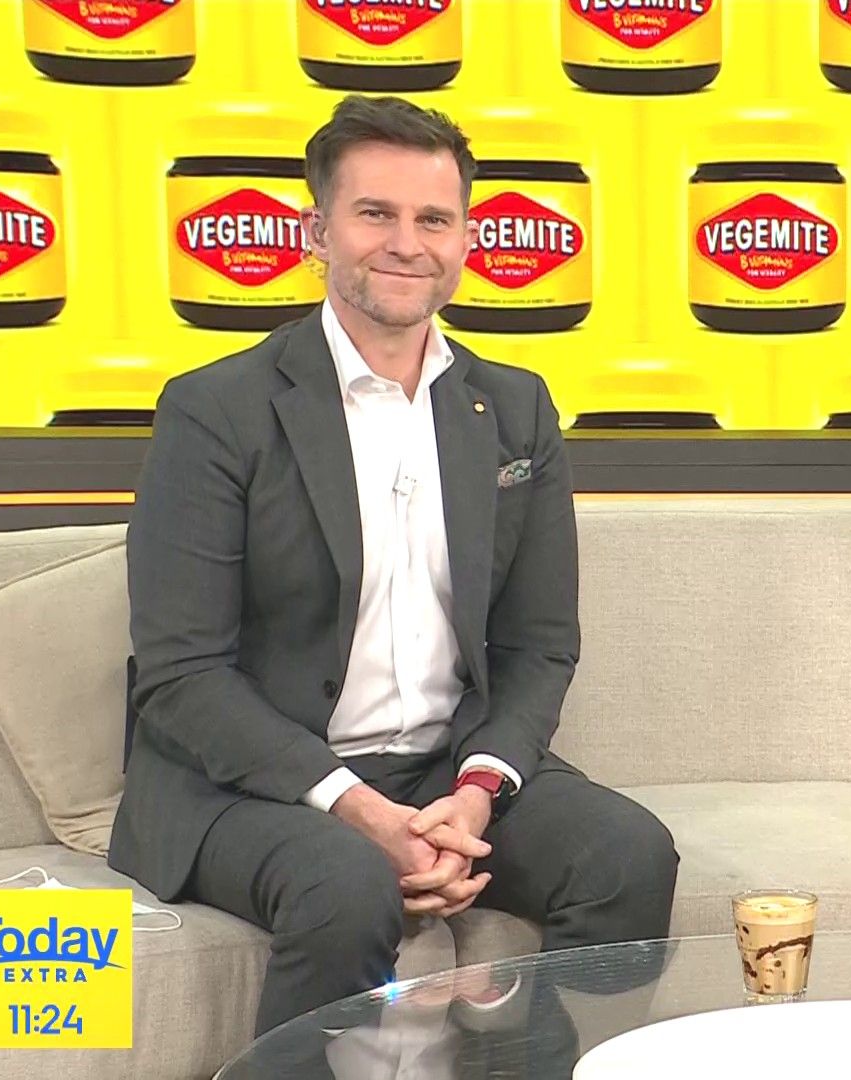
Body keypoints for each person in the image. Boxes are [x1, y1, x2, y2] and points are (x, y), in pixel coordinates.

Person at [109, 94, 680, 1041]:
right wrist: (362, 811)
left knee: (627, 855)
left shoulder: (516, 408)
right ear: (316, 233)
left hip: (446, 770)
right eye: (375, 214)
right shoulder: (217, 410)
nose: (406, 244)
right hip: (254, 786)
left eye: (434, 219)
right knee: (346, 883)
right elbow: (182, 674)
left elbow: (539, 645)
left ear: (466, 240)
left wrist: (475, 794)